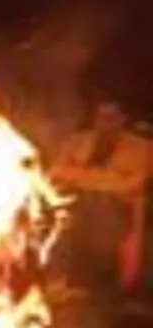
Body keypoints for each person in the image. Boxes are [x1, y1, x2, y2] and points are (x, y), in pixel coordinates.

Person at [50, 97, 149, 283]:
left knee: (99, 207)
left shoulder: (141, 148)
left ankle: (102, 279)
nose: (105, 123)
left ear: (123, 119)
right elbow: (56, 172)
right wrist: (108, 177)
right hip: (75, 203)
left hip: (119, 207)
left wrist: (81, 176)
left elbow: (133, 183)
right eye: (101, 117)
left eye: (111, 117)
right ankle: (61, 278)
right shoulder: (77, 142)